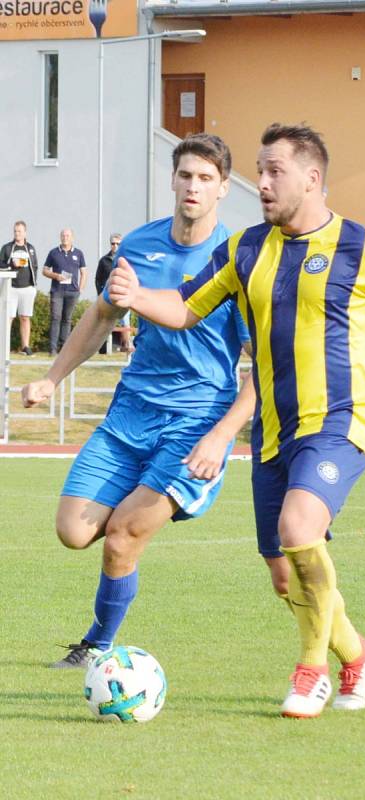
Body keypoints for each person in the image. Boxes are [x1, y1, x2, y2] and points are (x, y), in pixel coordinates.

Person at [108, 123, 365, 719]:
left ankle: (312, 669)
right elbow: (187, 307)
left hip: (341, 422)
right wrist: (137, 296)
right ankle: (359, 654)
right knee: (286, 576)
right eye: (261, 172)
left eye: (274, 173)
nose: (262, 183)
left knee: (300, 530)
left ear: (312, 179)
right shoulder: (246, 249)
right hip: (273, 429)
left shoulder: (363, 246)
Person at [21, 134, 254, 668]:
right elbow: (102, 316)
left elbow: (263, 363)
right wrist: (51, 379)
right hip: (130, 414)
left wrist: (223, 436)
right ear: (172, 180)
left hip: (195, 423)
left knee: (122, 535)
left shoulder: (235, 261)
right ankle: (134, 517)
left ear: (222, 189)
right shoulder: (140, 246)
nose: (193, 186)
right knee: (73, 532)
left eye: (206, 178)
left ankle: (97, 647)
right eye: (186, 175)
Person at [43, 228, 87, 355]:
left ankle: (64, 349)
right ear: (60, 237)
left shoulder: (78, 253)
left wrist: (81, 288)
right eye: (63, 235)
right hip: (57, 291)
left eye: (67, 235)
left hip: (72, 292)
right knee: (56, 318)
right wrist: (56, 276)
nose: (65, 237)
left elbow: (84, 272)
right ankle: (52, 349)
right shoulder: (53, 253)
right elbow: (44, 270)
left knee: (67, 320)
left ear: (72, 237)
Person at [0, 221, 39, 356]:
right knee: (8, 317)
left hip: (27, 288)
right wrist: (12, 263)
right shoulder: (7, 248)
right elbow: (1, 264)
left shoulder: (31, 248)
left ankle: (25, 346)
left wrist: (33, 285)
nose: (17, 233)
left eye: (20, 231)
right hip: (11, 288)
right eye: (15, 231)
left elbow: (34, 266)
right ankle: (4, 346)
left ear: (25, 233)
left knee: (25, 317)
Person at [95, 234, 131, 353]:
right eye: (113, 243)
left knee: (125, 322)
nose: (115, 246)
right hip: (108, 296)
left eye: (118, 244)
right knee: (105, 322)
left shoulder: (127, 260)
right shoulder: (104, 260)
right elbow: (98, 279)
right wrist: (100, 294)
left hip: (123, 295)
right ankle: (102, 349)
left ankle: (127, 346)